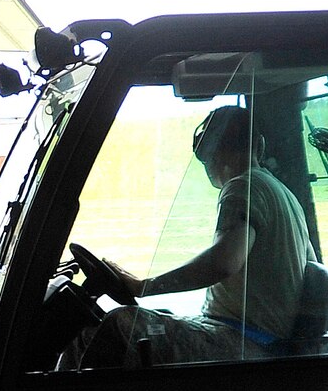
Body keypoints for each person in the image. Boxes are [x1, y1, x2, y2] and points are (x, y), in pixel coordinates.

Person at [70, 105, 315, 368]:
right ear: (260, 145)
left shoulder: (242, 186)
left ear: (210, 151)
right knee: (129, 323)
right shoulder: (285, 195)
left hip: (241, 342)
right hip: (262, 342)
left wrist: (145, 286)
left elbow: (223, 263)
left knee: (120, 325)